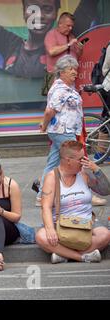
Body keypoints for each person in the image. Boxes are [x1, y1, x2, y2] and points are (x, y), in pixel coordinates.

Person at [38, 55, 106, 207]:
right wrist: (43, 125)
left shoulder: (66, 88)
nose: (74, 72)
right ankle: (86, 193)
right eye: (70, 69)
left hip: (62, 130)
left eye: (75, 69)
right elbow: (50, 111)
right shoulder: (60, 89)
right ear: (61, 72)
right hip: (63, 130)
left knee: (53, 162)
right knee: (78, 160)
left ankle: (42, 195)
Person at [36, 140, 110, 264]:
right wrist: (49, 228)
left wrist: (96, 169)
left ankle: (63, 255)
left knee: (105, 234)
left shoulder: (84, 174)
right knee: (41, 236)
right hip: (61, 226)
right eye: (81, 159)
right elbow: (46, 207)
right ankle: (82, 257)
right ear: (68, 160)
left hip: (85, 225)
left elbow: (105, 190)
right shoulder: (52, 177)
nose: (84, 161)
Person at [0, 0, 60, 78]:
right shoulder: (11, 44)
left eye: (47, 9)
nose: (39, 16)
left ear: (56, 13)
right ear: (24, 12)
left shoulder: (61, 47)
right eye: (33, 10)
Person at [43, 12, 84, 93]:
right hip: (54, 75)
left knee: (69, 100)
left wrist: (80, 49)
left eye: (72, 26)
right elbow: (52, 51)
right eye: (68, 25)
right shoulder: (51, 34)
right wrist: (69, 44)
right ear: (60, 24)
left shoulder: (71, 36)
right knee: (54, 101)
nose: (70, 28)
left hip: (70, 75)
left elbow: (77, 56)